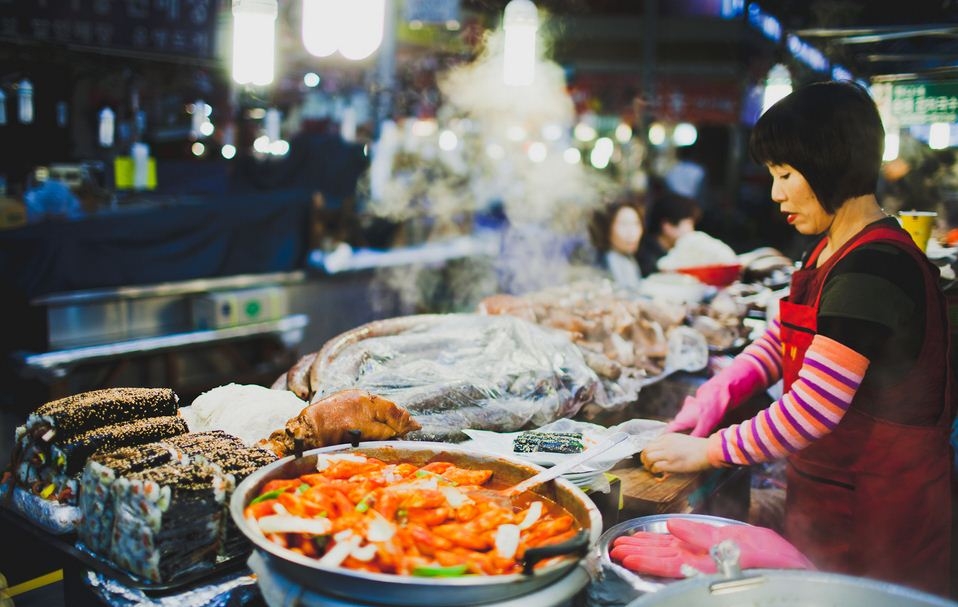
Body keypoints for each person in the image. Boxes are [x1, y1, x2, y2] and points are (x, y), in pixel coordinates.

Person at [640, 81, 955, 596]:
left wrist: (711, 451)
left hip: (884, 520)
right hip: (831, 502)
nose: (775, 193)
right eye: (772, 175)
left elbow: (813, 408)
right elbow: (781, 338)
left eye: (785, 174)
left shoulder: (873, 267)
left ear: (832, 164)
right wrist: (723, 387)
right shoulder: (827, 249)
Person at [636, 188, 701, 276]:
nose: (691, 229)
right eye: (689, 223)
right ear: (667, 226)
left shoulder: (680, 251)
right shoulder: (646, 257)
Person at [589, 197, 645, 289]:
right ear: (607, 228)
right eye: (624, 224)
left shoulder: (627, 257)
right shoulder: (605, 262)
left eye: (636, 223)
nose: (632, 233)